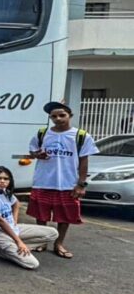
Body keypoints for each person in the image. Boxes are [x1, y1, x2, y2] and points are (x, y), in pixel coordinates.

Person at [27, 101, 98, 259]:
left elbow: (84, 161)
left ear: (70, 116)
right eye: (54, 116)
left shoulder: (81, 136)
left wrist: (80, 184)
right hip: (43, 181)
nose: (58, 118)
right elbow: (32, 152)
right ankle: (42, 241)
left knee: (64, 216)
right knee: (41, 215)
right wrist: (38, 154)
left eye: (62, 115)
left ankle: (59, 243)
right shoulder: (42, 133)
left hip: (67, 183)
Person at [0, 166, 58, 270]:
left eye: (6, 178)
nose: (2, 181)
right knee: (32, 264)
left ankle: (3, 249)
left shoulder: (5, 191)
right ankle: (0, 248)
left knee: (53, 233)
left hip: (12, 229)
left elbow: (16, 203)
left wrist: (14, 221)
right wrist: (18, 241)